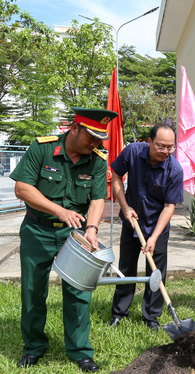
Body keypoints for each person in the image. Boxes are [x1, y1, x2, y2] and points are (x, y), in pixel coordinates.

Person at [11, 107, 118, 372]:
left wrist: (92, 228)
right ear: (74, 129)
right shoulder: (42, 149)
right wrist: (58, 210)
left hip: (76, 235)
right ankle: (34, 347)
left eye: (99, 139)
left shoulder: (97, 159)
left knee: (79, 291)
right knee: (33, 290)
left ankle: (80, 351)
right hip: (39, 230)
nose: (95, 143)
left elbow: (96, 200)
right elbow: (22, 188)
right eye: (91, 137)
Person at [109, 122, 184, 332]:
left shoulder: (174, 169)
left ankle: (151, 316)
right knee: (126, 268)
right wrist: (125, 208)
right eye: (161, 146)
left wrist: (153, 237)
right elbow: (116, 176)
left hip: (157, 225)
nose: (165, 151)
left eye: (170, 147)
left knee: (156, 271)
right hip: (131, 221)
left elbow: (170, 206)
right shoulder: (132, 152)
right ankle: (119, 312)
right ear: (149, 141)